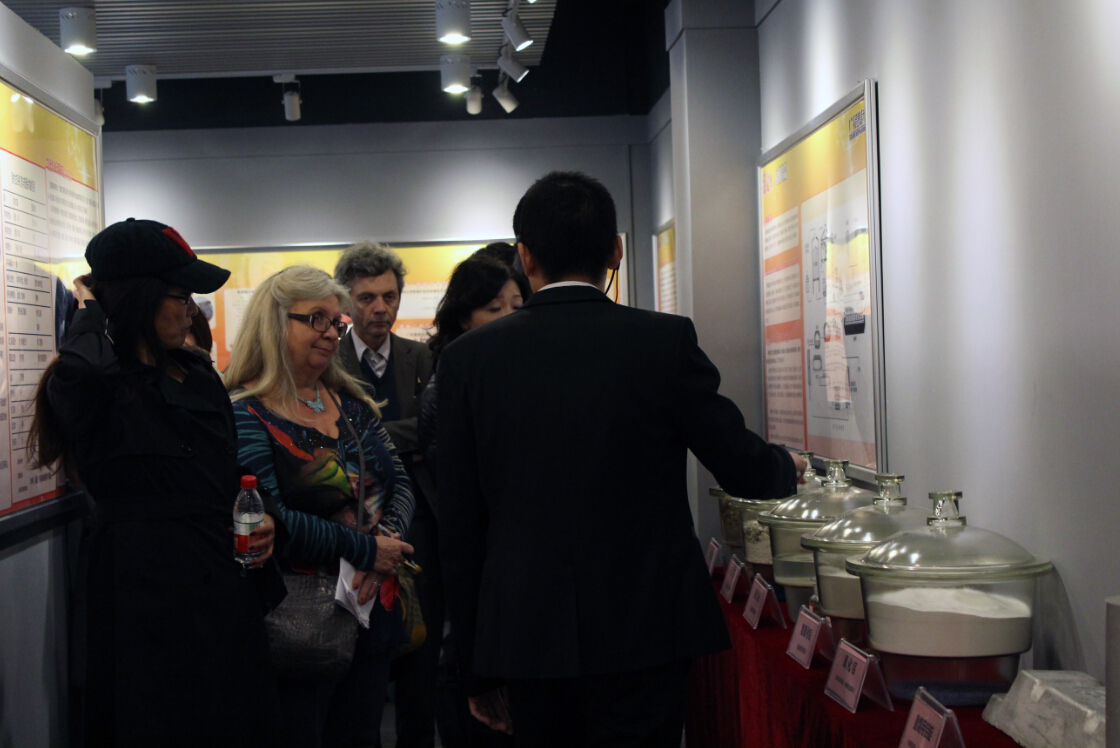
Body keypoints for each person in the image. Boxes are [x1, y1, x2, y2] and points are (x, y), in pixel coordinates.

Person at [437, 172, 807, 747]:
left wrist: (474, 667)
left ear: (524, 256)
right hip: (647, 628)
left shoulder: (468, 360)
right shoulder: (662, 341)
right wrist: (788, 468)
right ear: (615, 250)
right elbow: (740, 463)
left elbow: (461, 528)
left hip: (528, 635)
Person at [28, 218, 285, 746]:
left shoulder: (198, 375)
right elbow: (81, 373)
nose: (191, 310)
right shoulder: (95, 383)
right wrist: (91, 307)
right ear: (138, 297)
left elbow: (227, 475)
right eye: (179, 295)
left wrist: (265, 523)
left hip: (221, 592)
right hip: (143, 601)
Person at [224, 265, 416, 748]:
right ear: (274, 324)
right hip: (300, 623)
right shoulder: (246, 413)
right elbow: (274, 520)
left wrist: (384, 545)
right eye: (317, 319)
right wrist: (369, 551)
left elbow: (400, 482)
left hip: (371, 610)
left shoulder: (349, 402)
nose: (332, 333)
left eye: (336, 322)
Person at [414, 256, 526, 748]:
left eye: (517, 305)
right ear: (464, 318)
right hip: (479, 566)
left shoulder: (524, 373)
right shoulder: (450, 384)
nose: (509, 317)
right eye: (493, 308)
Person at [333, 242, 438, 748]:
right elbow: (333, 435)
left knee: (420, 649)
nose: (381, 308)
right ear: (347, 301)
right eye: (367, 297)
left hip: (418, 518)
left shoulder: (421, 356)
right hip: (352, 524)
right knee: (360, 656)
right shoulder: (328, 357)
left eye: (390, 297)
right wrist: (397, 436)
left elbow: (433, 429)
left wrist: (369, 436)